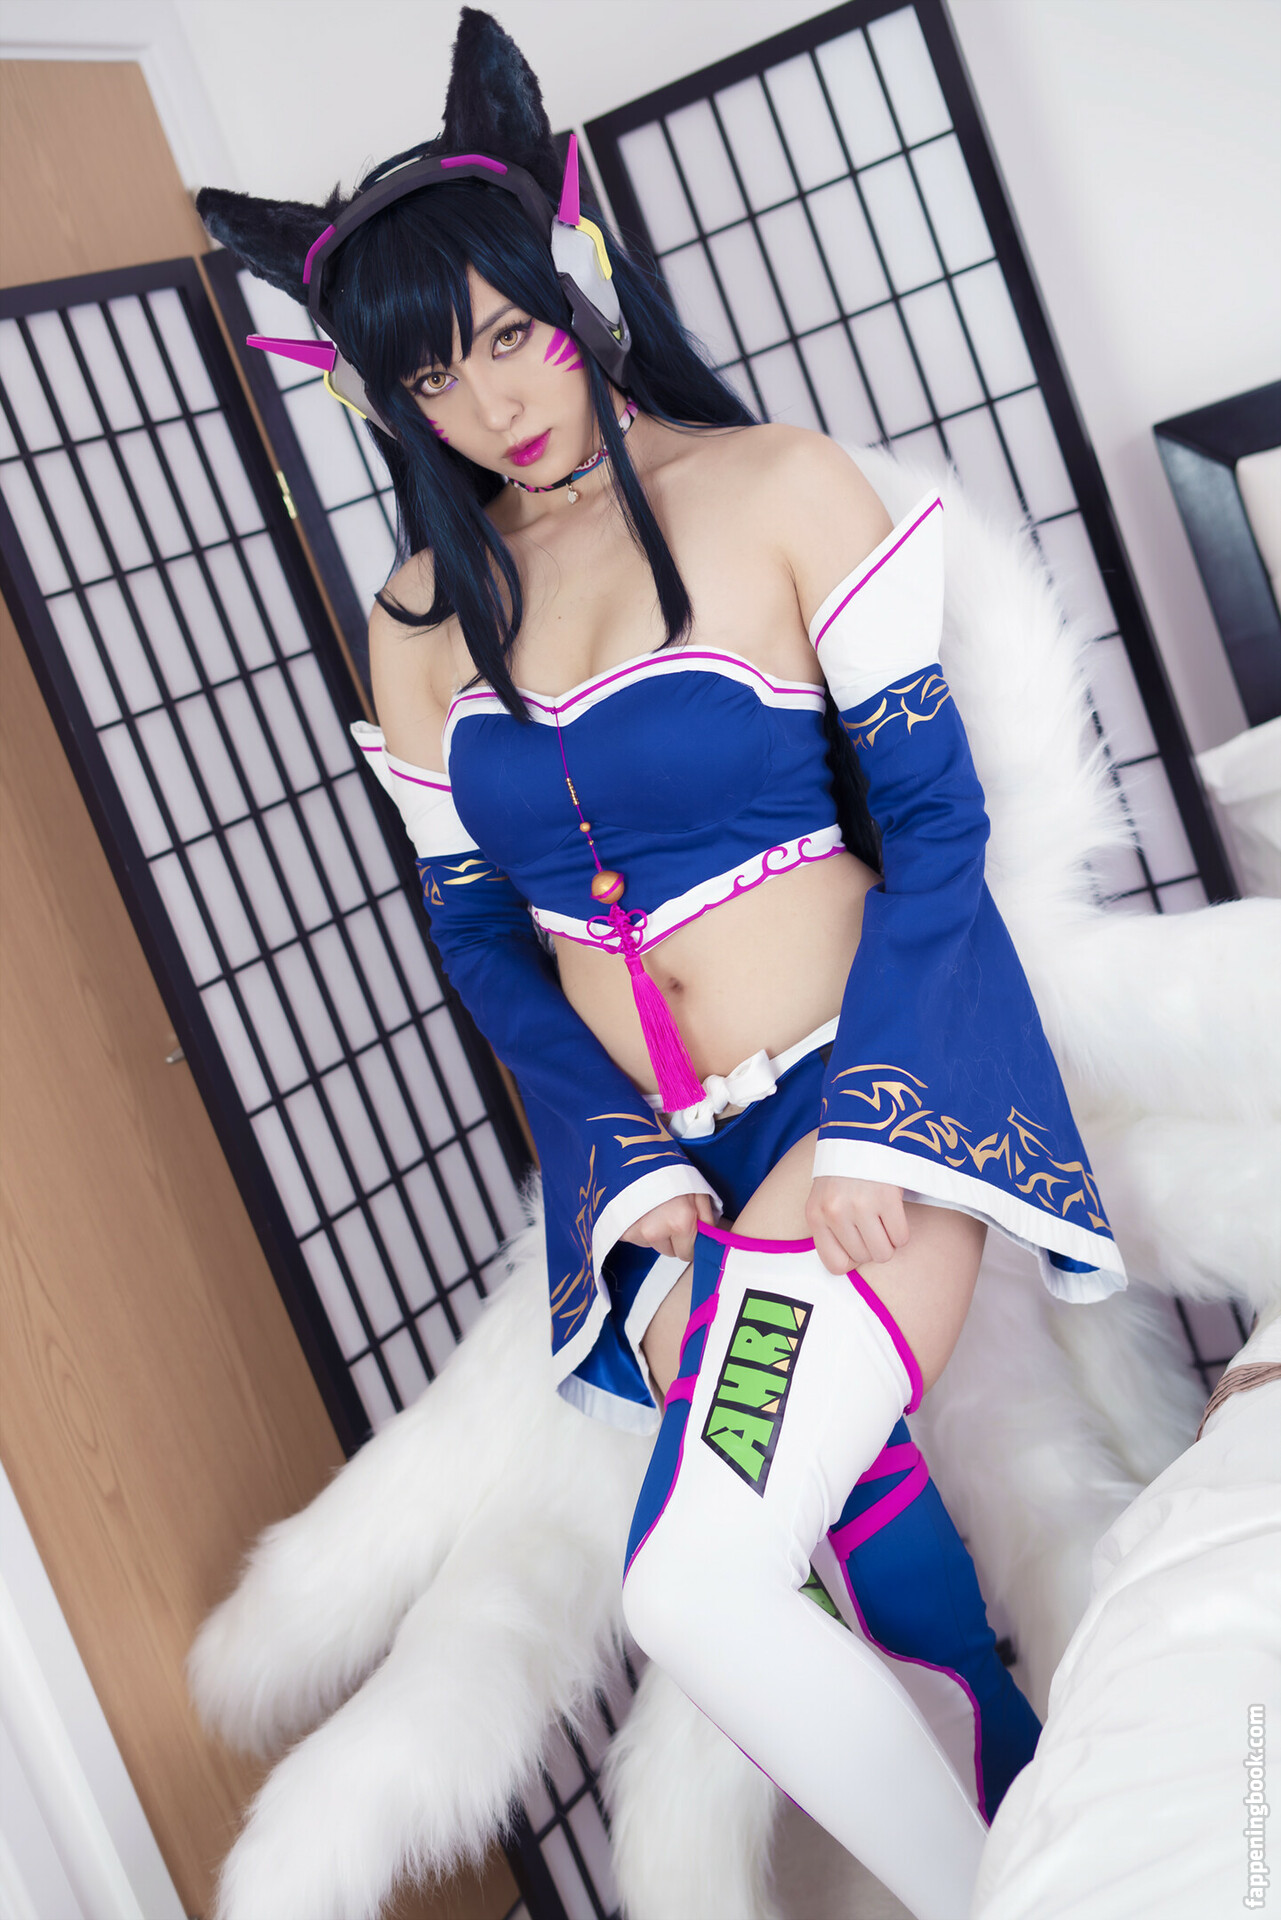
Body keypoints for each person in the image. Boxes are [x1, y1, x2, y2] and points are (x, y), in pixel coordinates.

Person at [199, 12, 1124, 1916]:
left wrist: (869, 1122)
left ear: (578, 282)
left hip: (863, 1101)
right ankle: (1040, 1850)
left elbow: (933, 826)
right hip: (668, 1171)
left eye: (513, 333)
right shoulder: (419, 618)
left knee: (696, 1580)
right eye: (433, 372)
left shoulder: (775, 488)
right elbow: (480, 928)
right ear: (384, 400)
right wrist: (621, 1177)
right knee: (806, 1556)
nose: (494, 399)